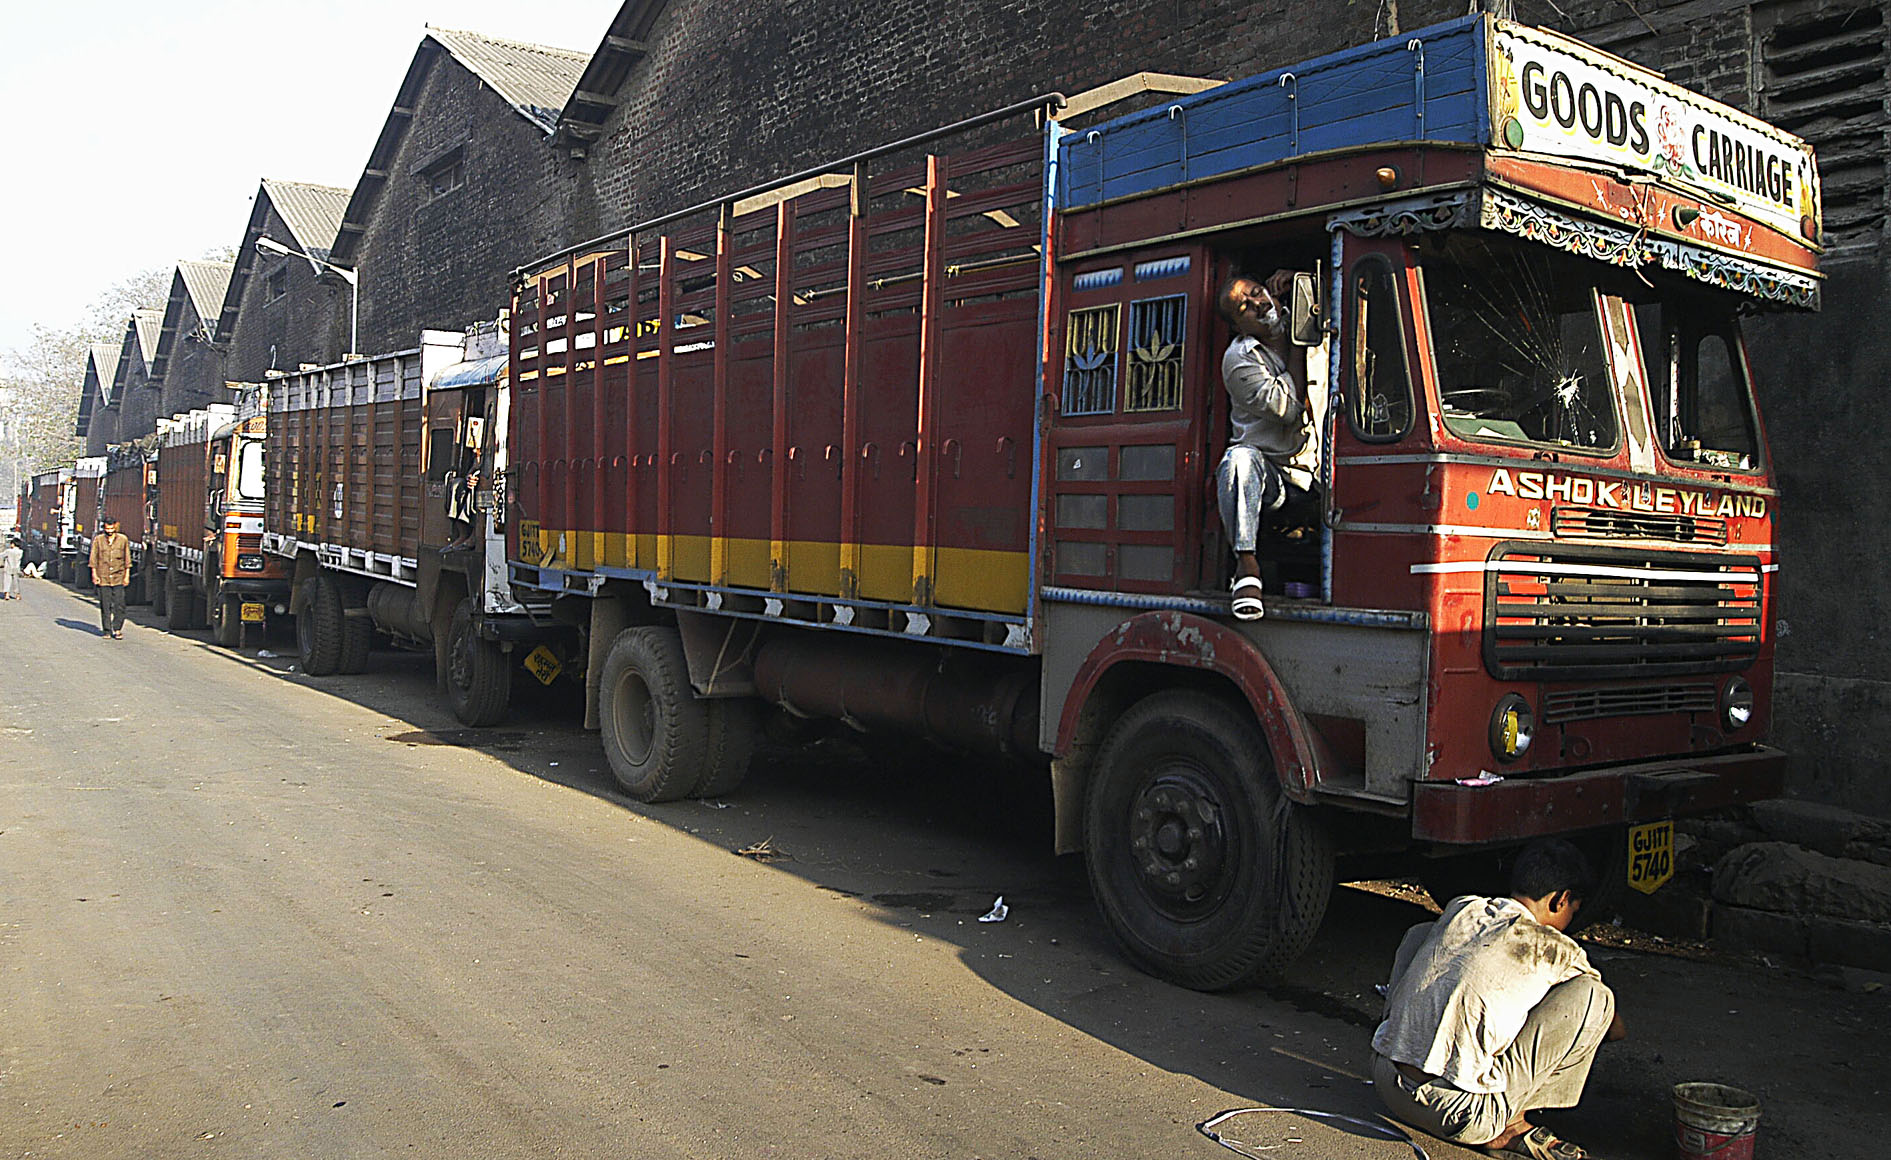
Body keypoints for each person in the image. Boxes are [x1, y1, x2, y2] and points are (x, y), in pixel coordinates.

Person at [1371, 839, 1626, 1160]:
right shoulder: (1555, 948)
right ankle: (1511, 1124)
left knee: (1422, 934)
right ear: (1561, 899)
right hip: (1461, 1116)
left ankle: (1397, 1043)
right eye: (1572, 910)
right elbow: (1612, 1026)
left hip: (1386, 1083)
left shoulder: (1464, 907)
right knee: (1593, 995)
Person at [1215, 269, 1315, 620]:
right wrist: (1300, 341)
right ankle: (1246, 565)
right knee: (1238, 460)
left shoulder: (1306, 317)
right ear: (1238, 327)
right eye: (1244, 307)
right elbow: (1288, 408)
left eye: (1258, 292)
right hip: (1276, 478)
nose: (1257, 304)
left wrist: (1303, 282)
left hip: (1323, 468)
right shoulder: (1238, 359)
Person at [89, 517, 132, 639]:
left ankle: (117, 628)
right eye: (107, 529)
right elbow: (93, 559)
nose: (109, 531)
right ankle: (107, 630)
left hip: (118, 577)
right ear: (104, 528)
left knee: (120, 605)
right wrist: (94, 574)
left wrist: (127, 576)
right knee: (105, 605)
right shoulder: (98, 540)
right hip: (103, 577)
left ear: (115, 527)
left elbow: (127, 560)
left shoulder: (123, 540)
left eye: (111, 528)